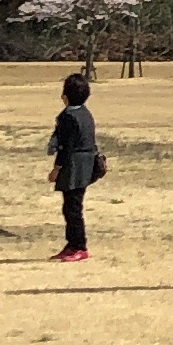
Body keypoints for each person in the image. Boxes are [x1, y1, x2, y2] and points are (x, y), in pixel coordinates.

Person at [47, 71, 106, 262]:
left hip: (74, 167)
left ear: (65, 96)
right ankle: (71, 243)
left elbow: (65, 146)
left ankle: (79, 246)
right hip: (87, 164)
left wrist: (56, 169)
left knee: (72, 208)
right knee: (71, 206)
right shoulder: (85, 113)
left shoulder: (67, 117)